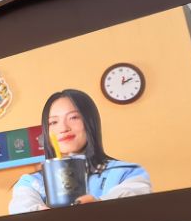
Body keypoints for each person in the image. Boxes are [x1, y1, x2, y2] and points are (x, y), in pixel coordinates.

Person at [8, 89, 153, 213]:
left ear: (90, 121)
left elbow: (135, 198)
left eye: (73, 117)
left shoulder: (126, 172)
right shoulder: (32, 183)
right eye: (53, 122)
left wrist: (98, 204)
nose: (63, 128)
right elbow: (23, 209)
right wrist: (41, 215)